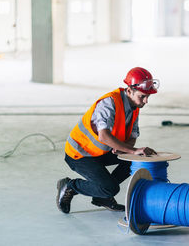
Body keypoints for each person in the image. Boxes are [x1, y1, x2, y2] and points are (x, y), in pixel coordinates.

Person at [56, 67, 159, 214]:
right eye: (143, 96)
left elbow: (132, 137)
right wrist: (132, 150)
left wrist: (127, 149)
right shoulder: (109, 103)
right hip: (80, 154)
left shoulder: (134, 106)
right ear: (129, 91)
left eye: (148, 96)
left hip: (101, 152)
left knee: (135, 160)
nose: (146, 101)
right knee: (109, 188)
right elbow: (103, 136)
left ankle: (102, 198)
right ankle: (70, 186)